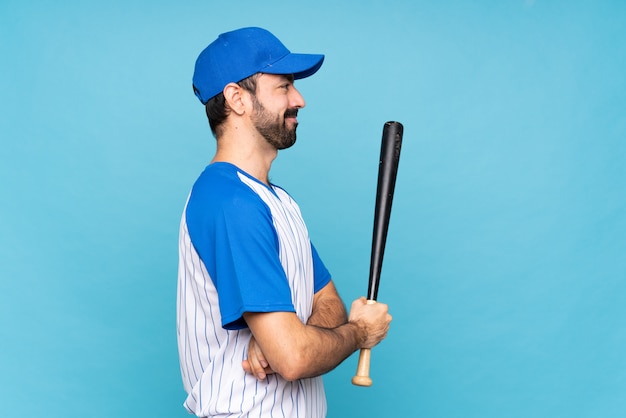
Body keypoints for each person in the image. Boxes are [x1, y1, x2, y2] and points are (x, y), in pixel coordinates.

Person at [176, 27, 392, 418]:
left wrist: (282, 335)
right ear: (236, 98)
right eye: (284, 87)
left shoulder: (276, 202)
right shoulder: (229, 202)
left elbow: (328, 303)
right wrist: (360, 332)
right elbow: (293, 358)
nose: (300, 100)